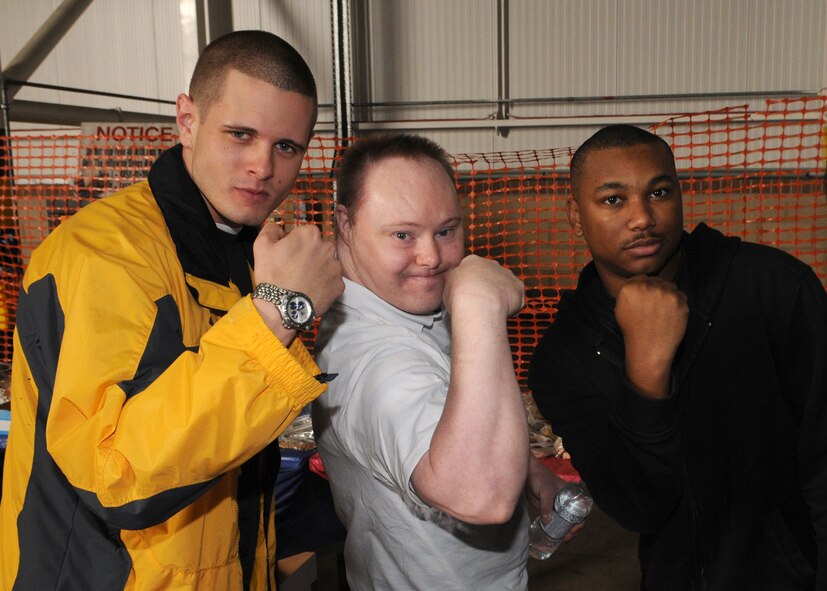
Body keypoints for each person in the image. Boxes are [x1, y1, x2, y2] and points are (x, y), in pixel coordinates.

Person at [0, 30, 344, 590]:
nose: (262, 166)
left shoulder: (247, 249)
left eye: (286, 147)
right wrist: (281, 311)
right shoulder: (104, 254)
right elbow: (116, 472)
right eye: (240, 134)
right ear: (187, 120)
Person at [528, 124, 827, 590]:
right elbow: (638, 507)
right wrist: (647, 368)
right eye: (613, 200)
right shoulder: (563, 357)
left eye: (659, 192)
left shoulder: (775, 288)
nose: (642, 218)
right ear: (575, 213)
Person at [311, 133, 576, 590]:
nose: (431, 257)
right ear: (345, 224)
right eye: (403, 235)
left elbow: (451, 417)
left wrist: (528, 471)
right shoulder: (378, 362)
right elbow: (481, 497)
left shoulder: (404, 307)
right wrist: (480, 304)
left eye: (446, 231)